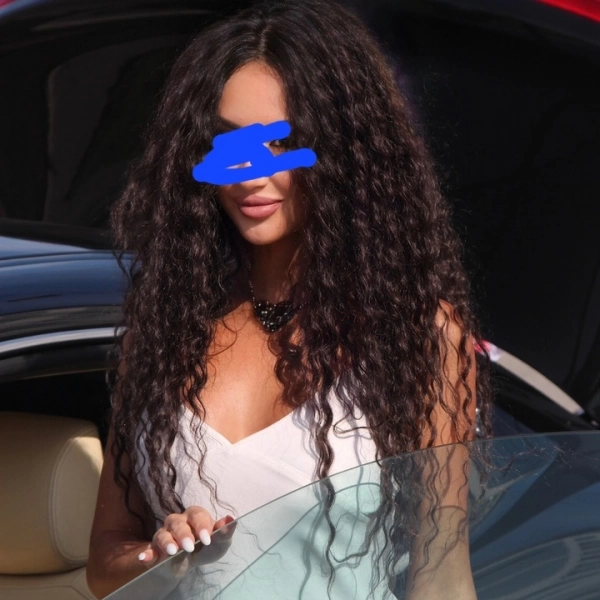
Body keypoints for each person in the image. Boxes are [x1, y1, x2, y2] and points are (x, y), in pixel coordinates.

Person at [86, 0, 494, 597]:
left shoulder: (418, 336)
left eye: (282, 143)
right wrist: (159, 552)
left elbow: (442, 576)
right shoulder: (165, 328)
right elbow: (105, 565)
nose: (249, 174)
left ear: (346, 150)